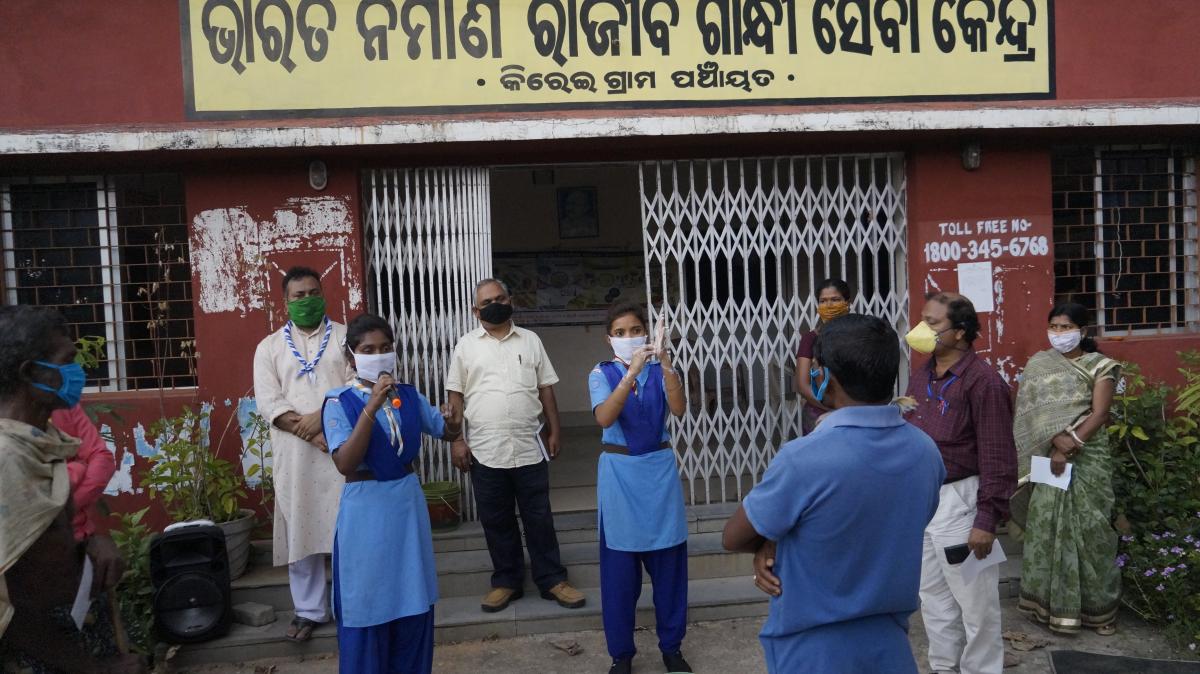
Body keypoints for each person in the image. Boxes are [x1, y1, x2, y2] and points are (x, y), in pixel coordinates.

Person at [723, 314, 945, 673]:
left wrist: (769, 542)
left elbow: (734, 536)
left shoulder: (803, 459)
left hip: (813, 650)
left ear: (822, 376)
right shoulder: (925, 451)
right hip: (890, 645)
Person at [0, 305, 145, 673]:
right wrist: (94, 670)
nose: (78, 373)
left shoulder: (41, 439)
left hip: (74, 623)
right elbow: (10, 609)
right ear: (32, 373)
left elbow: (45, 530)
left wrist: (90, 540)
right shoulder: (8, 461)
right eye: (67, 361)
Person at [321, 314, 459, 674]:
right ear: (352, 357)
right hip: (365, 510)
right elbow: (346, 462)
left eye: (385, 348)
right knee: (367, 600)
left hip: (405, 507)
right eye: (368, 350)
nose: (378, 355)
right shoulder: (338, 403)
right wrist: (370, 408)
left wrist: (453, 421)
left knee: (411, 596)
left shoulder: (409, 396)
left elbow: (442, 429)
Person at [446, 278, 586, 613]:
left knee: (539, 517)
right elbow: (455, 396)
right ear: (475, 310)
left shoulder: (531, 340)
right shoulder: (465, 346)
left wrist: (555, 430)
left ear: (511, 300)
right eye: (487, 301)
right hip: (484, 449)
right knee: (497, 520)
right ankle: (506, 582)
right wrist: (457, 440)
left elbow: (546, 389)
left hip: (528, 447)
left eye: (500, 297)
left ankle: (552, 579)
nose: (495, 304)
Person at [904, 292, 1018, 674]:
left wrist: (986, 520)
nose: (922, 329)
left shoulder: (984, 382)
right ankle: (943, 666)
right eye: (923, 320)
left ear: (961, 332)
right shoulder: (921, 374)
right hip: (922, 500)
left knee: (976, 603)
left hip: (962, 501)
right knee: (932, 595)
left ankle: (982, 669)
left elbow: (998, 456)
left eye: (933, 323)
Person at [588, 303, 691, 674]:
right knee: (619, 576)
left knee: (669, 570)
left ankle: (672, 648)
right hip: (620, 477)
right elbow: (604, 416)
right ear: (609, 338)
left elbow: (678, 410)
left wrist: (664, 363)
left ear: (648, 332)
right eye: (621, 331)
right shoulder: (601, 374)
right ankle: (622, 654)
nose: (630, 337)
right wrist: (629, 375)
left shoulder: (661, 371)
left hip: (658, 476)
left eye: (636, 330)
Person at [252, 266, 350, 642]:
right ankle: (309, 610)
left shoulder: (345, 337)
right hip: (296, 454)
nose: (307, 300)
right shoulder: (269, 347)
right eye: (299, 295)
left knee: (346, 528)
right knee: (302, 527)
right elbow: (269, 402)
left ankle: (348, 605)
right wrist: (311, 434)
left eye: (313, 292)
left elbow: (356, 387)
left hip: (343, 447)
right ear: (285, 302)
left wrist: (325, 422)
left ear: (323, 293)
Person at [1013, 303, 1121, 635]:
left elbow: (1100, 413)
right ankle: (1045, 607)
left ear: (1083, 330)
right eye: (1055, 327)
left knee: (1092, 531)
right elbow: (1030, 414)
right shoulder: (1038, 365)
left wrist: (1071, 442)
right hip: (1048, 454)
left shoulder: (1101, 366)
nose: (1060, 333)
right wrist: (1055, 441)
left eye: (1067, 326)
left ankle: (1098, 611)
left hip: (1088, 456)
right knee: (1046, 528)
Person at [793, 279, 852, 435]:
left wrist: (851, 410)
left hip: (857, 411)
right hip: (820, 411)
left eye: (835, 300)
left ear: (847, 302)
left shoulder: (861, 335)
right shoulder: (810, 339)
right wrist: (833, 409)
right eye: (823, 301)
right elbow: (802, 385)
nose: (829, 305)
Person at [51, 404, 116, 541]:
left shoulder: (65, 405)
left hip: (78, 536)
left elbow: (102, 457)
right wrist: (77, 469)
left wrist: (70, 504)